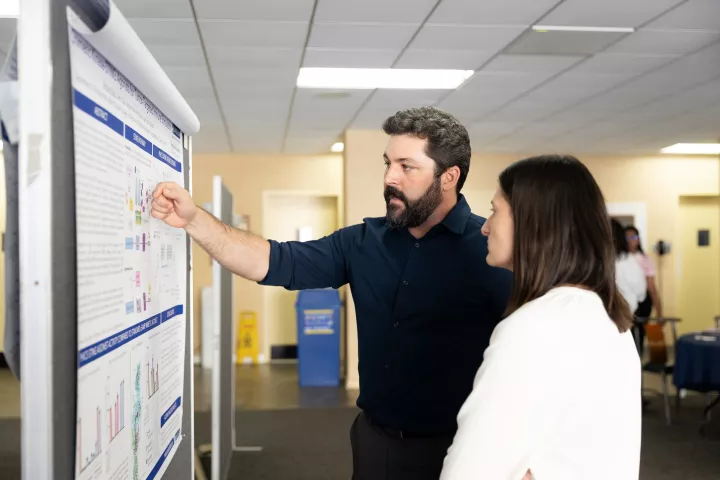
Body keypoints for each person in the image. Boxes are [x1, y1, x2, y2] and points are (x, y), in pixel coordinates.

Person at [151, 106, 512, 480]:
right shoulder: (362, 242)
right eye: (388, 163)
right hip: (377, 444)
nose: (389, 177)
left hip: (462, 450)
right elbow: (271, 261)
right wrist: (194, 220)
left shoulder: (494, 250)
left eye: (407, 166)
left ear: (449, 176)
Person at [440, 155, 641, 480]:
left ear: (532, 222)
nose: (485, 227)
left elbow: (468, 470)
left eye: (495, 210)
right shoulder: (608, 319)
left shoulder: (534, 327)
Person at [625, 225, 662, 319]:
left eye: (634, 237)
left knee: (639, 330)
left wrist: (659, 311)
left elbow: (651, 286)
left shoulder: (645, 259)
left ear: (638, 240)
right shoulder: (620, 259)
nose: (631, 240)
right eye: (627, 237)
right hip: (624, 300)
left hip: (642, 302)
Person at [612, 219, 647, 314]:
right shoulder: (627, 261)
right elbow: (641, 292)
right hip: (624, 312)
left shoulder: (630, 260)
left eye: (634, 237)